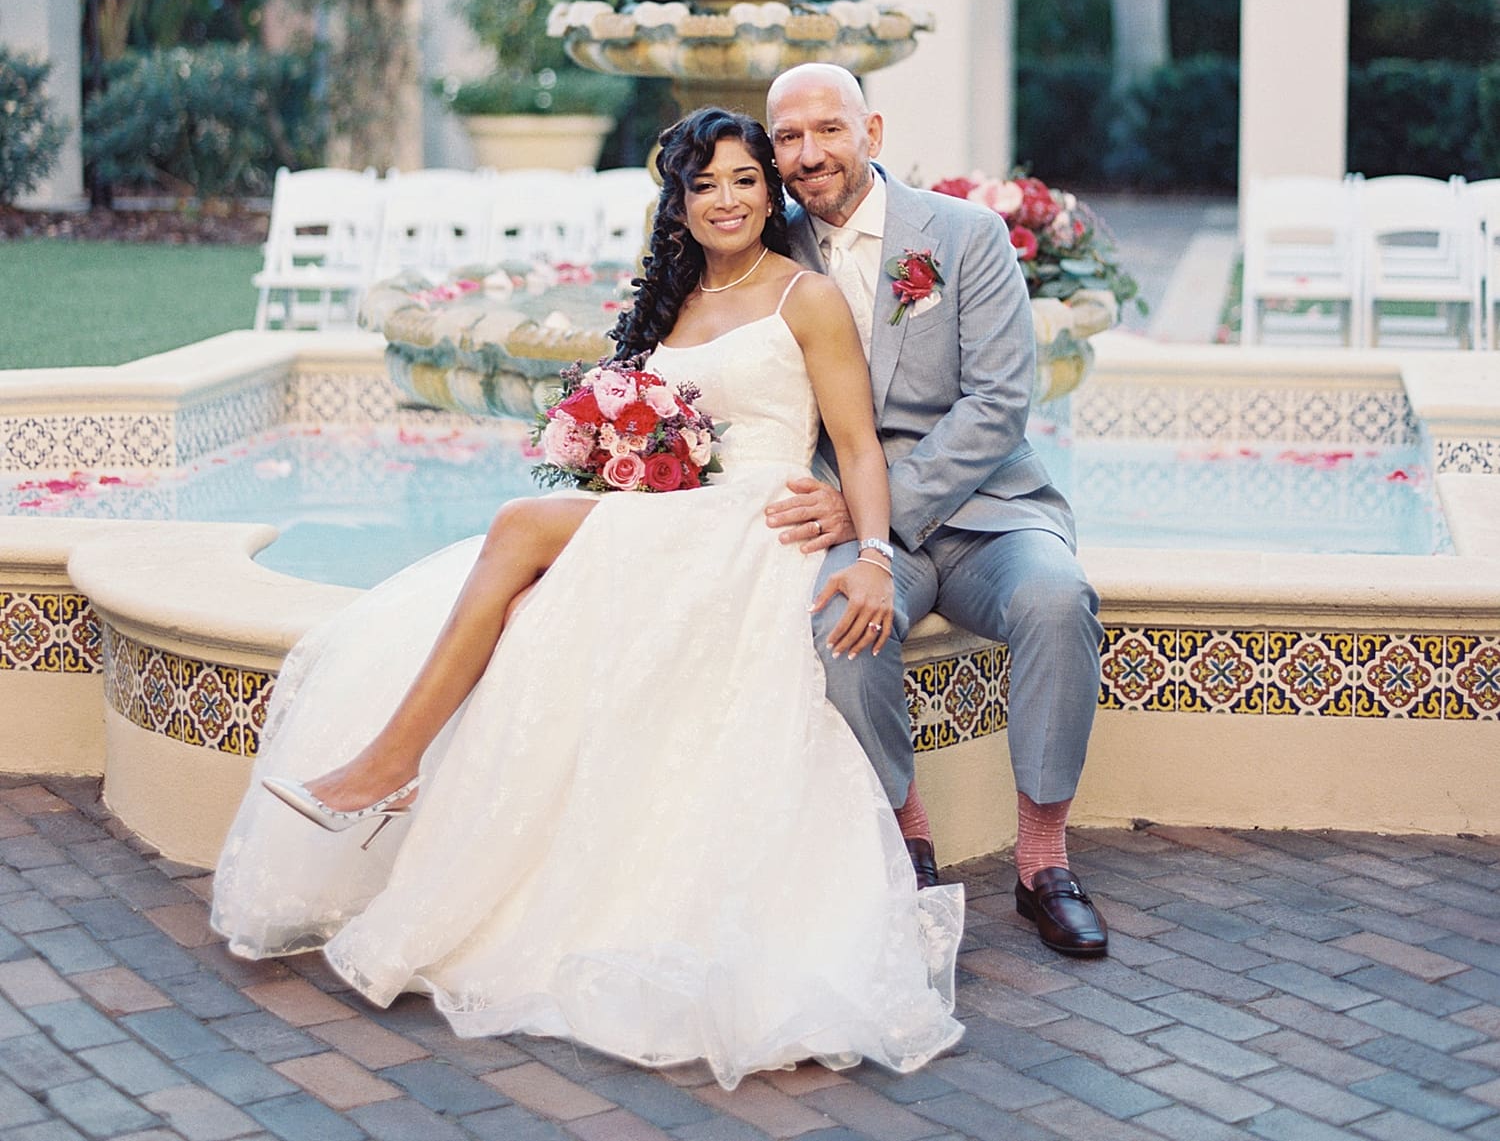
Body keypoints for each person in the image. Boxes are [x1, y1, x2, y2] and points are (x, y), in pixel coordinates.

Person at [211, 108, 963, 1089]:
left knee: (519, 528)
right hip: (680, 520)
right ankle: (394, 768)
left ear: (769, 193)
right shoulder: (675, 300)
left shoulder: (806, 296)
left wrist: (869, 551)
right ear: (680, 204)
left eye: (745, 179)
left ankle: (392, 762)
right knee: (522, 605)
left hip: (756, 523)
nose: (728, 199)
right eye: (706, 185)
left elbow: (858, 444)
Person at [761, 63, 1108, 958]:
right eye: (789, 138)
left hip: (990, 508)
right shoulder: (769, 253)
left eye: (828, 129)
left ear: (871, 132)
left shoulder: (963, 235)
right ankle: (906, 841)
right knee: (838, 618)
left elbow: (999, 401)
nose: (810, 153)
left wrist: (871, 506)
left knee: (1057, 598)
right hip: (864, 531)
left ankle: (1043, 861)